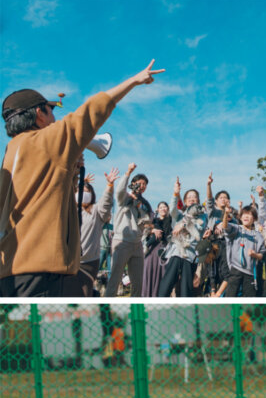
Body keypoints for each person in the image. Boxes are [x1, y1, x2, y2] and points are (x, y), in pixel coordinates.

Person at [0, 60, 164, 297]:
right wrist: (133, 81)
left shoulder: (11, 152)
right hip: (39, 267)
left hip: (10, 268)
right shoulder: (46, 140)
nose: (55, 117)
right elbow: (90, 112)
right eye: (50, 110)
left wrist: (71, 172)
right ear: (39, 113)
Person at [104, 164, 153, 297]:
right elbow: (119, 190)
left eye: (145, 184)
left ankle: (135, 309)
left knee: (138, 282)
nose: (142, 186)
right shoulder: (125, 197)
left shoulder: (145, 203)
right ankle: (106, 308)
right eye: (139, 183)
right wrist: (128, 172)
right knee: (115, 278)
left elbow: (150, 218)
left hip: (137, 244)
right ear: (133, 184)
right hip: (122, 241)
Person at [77, 169, 119, 296]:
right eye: (81, 192)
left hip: (88, 262)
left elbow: (105, 204)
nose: (84, 194)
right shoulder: (70, 209)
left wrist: (109, 186)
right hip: (68, 262)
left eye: (87, 192)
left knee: (84, 294)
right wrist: (80, 182)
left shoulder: (96, 211)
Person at [218, 205, 265, 297]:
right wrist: (226, 214)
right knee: (231, 296)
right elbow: (225, 226)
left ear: (254, 218)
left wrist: (255, 255)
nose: (246, 216)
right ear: (240, 217)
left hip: (250, 272)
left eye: (249, 214)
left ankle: (246, 312)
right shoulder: (237, 229)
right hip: (235, 269)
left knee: (249, 299)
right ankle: (229, 312)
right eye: (244, 214)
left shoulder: (259, 236)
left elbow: (261, 255)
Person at [142, 200, 170, 297]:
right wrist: (152, 230)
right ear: (158, 209)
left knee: (162, 273)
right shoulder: (153, 220)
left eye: (165, 206)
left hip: (164, 251)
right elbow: (142, 227)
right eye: (161, 207)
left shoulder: (171, 220)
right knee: (149, 271)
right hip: (152, 249)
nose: (163, 208)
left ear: (168, 209)